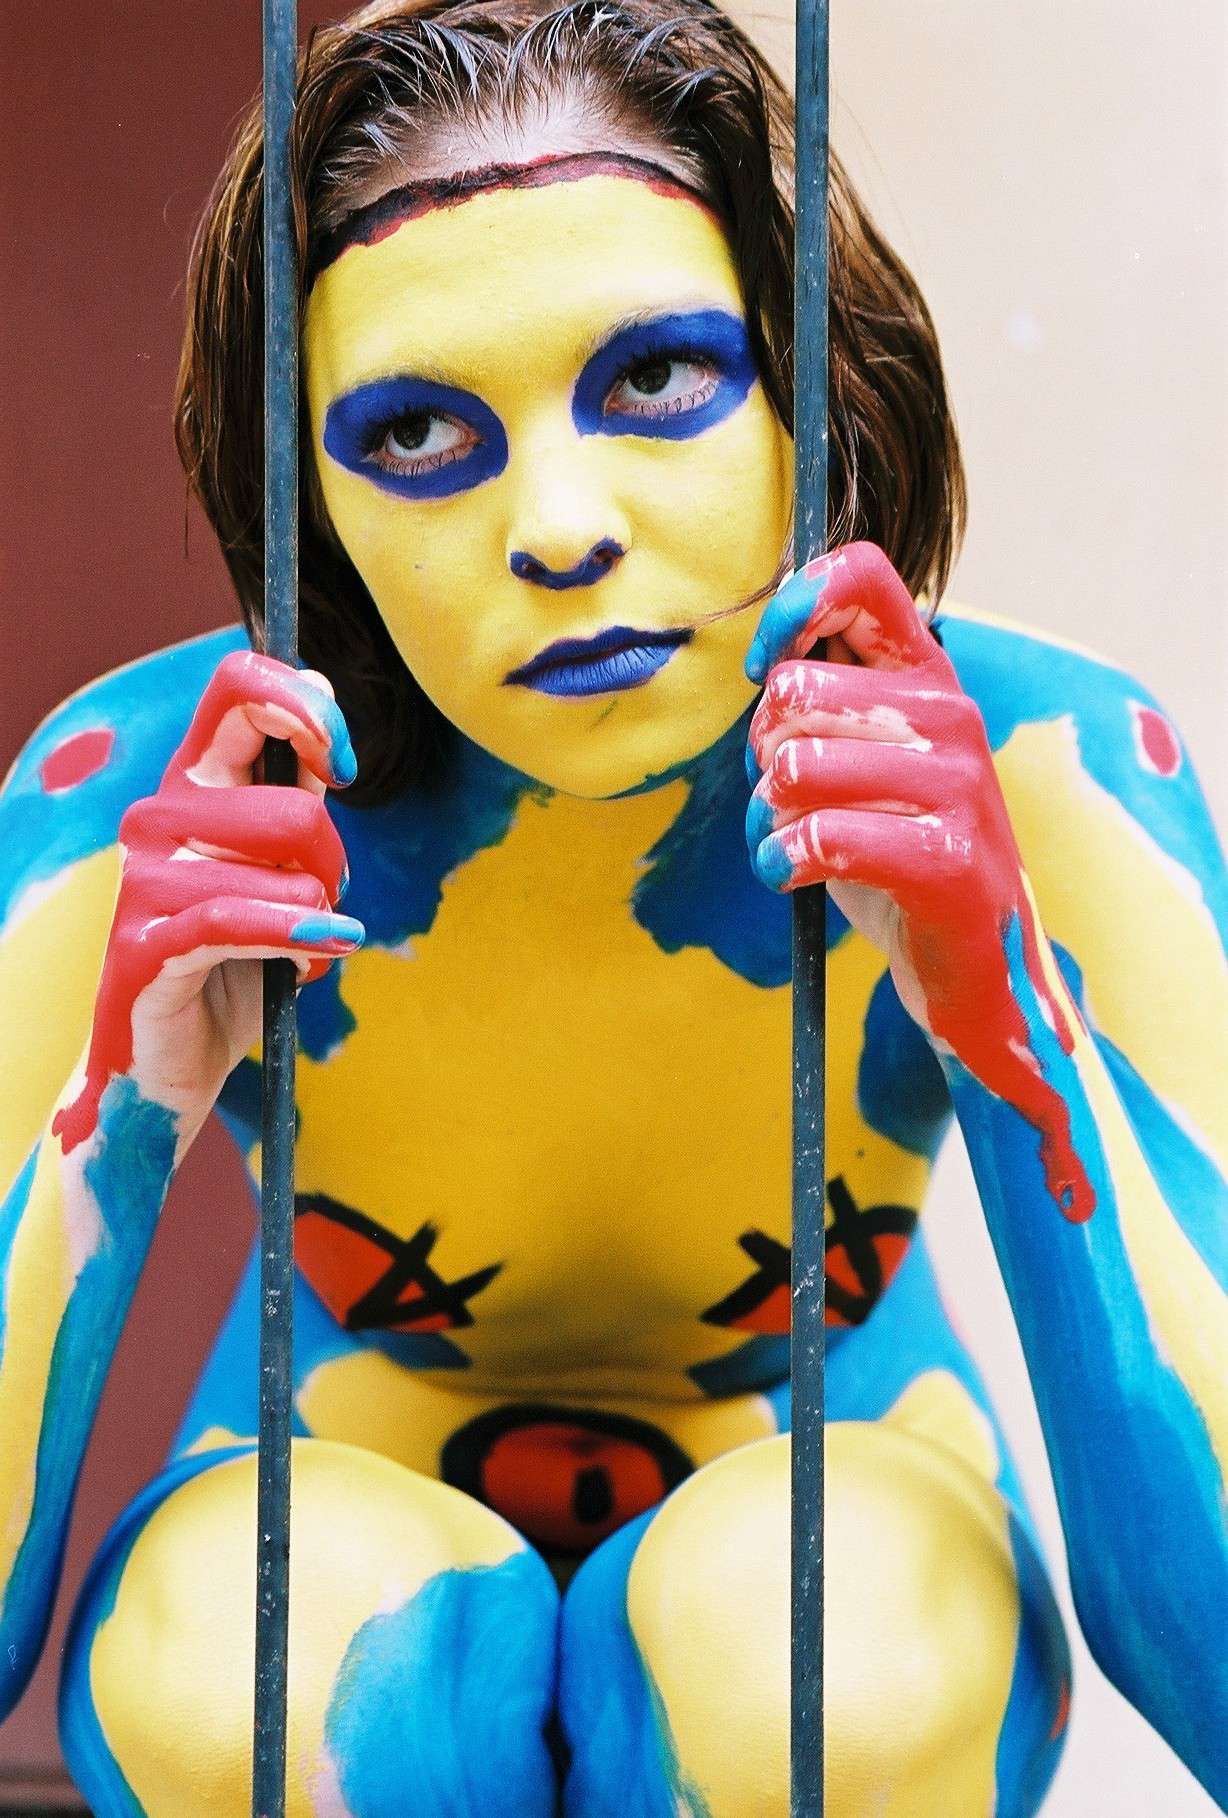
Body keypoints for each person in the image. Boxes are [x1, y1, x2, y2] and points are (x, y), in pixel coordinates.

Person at [1, 0, 1226, 1810]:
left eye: (656, 379)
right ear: (306, 496)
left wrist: (1008, 1013)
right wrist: (118, 1107)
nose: (559, 524)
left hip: (856, 1506)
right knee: (236, 1662)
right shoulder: (159, 804)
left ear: (817, 381)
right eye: (419, 428)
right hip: (332, 1498)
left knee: (834, 1652)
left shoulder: (1052, 773)